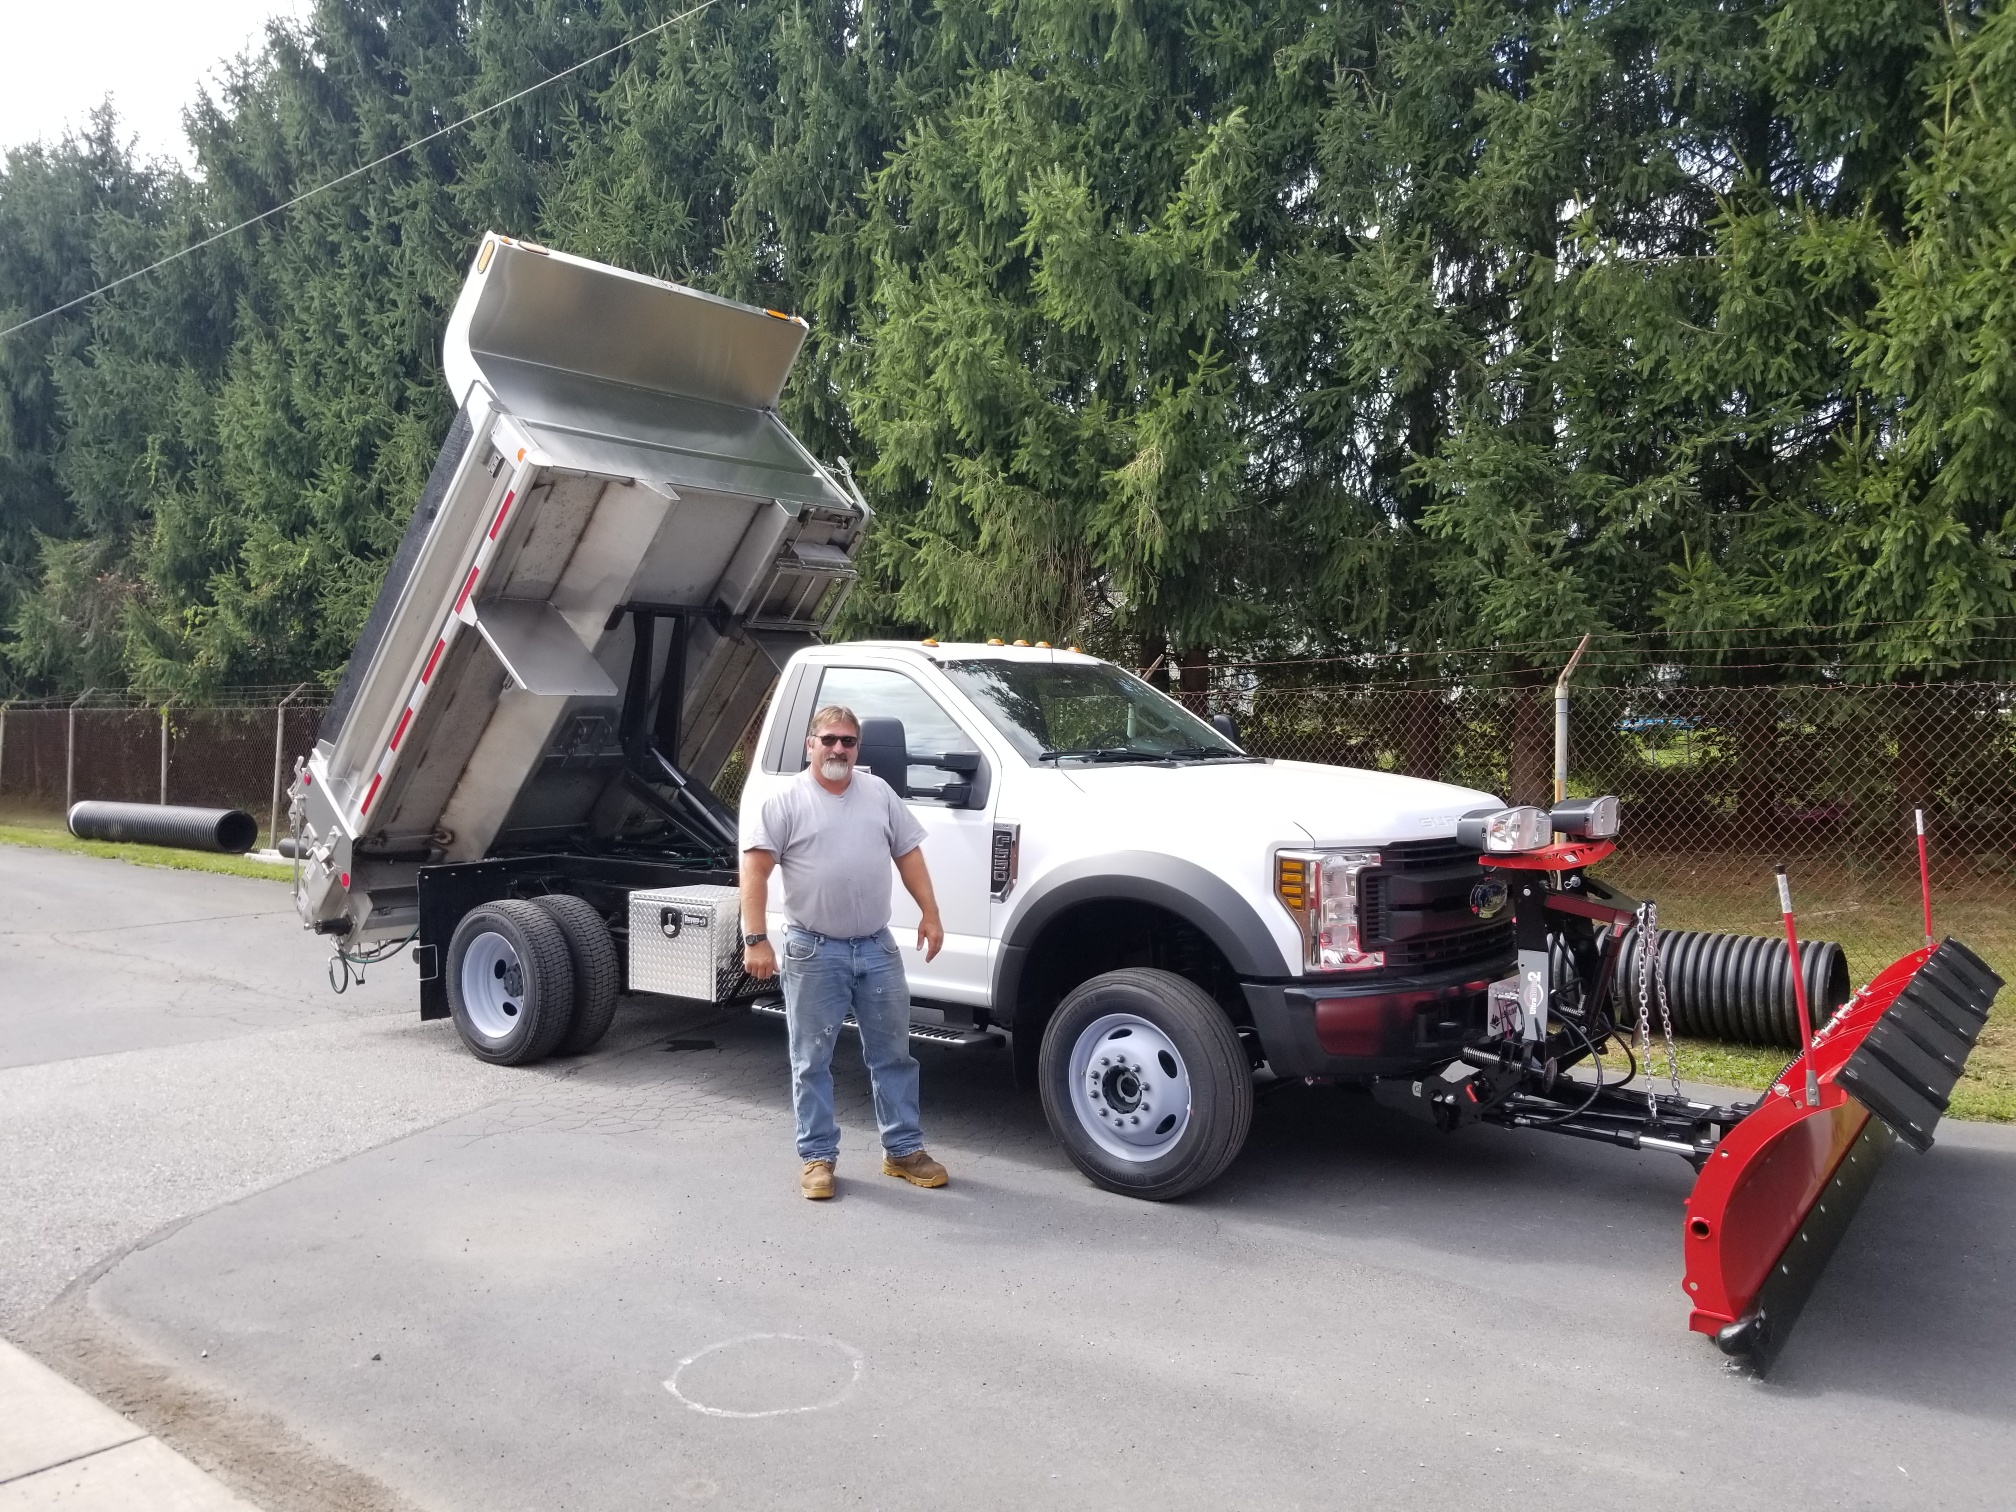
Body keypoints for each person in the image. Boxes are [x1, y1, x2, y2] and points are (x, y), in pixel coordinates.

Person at [741, 704, 950, 1200]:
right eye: (829, 739)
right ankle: (817, 1157)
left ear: (858, 748)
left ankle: (903, 1151)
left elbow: (908, 853)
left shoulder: (878, 793)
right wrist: (755, 938)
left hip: (877, 947)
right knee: (811, 1060)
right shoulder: (785, 801)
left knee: (894, 1056)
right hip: (813, 950)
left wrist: (930, 912)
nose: (838, 749)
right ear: (810, 744)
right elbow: (755, 870)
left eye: (848, 741)